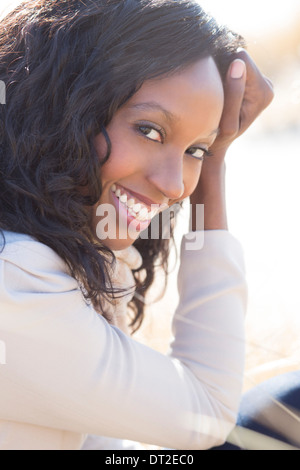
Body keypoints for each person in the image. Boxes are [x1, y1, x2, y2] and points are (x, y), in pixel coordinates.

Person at [0, 0, 273, 450]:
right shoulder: (16, 277)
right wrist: (217, 163)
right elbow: (204, 414)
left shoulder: (64, 250)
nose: (175, 185)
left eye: (196, 151)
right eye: (150, 131)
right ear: (64, 109)